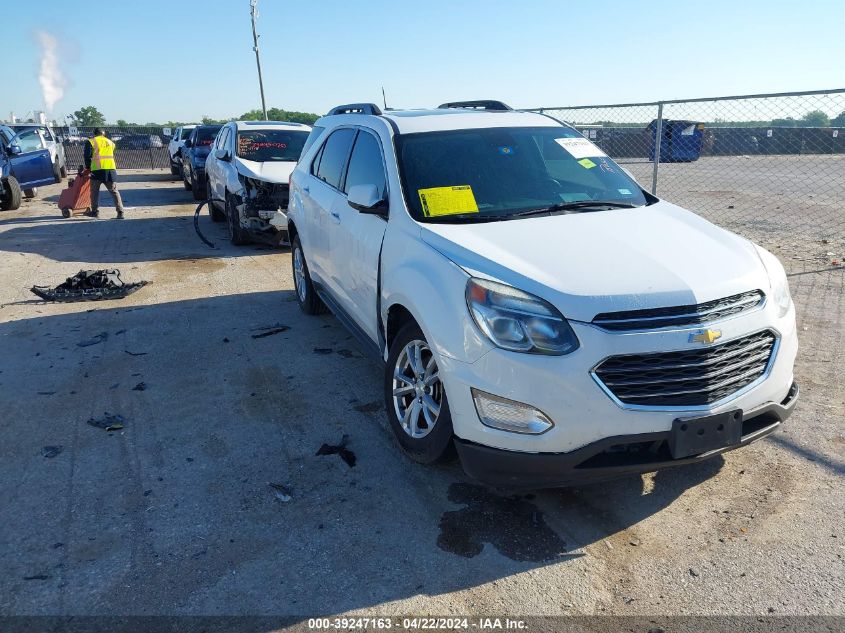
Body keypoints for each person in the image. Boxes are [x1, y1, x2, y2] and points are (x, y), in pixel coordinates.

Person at [83, 128, 125, 219]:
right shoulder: (111, 142)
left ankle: (95, 212)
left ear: (94, 134)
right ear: (103, 134)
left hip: (97, 171)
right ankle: (120, 212)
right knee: (114, 191)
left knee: (94, 192)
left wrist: (87, 167)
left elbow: (87, 156)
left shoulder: (91, 142)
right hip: (110, 170)